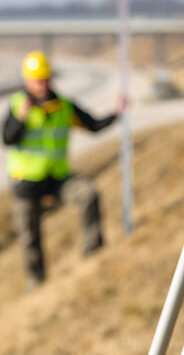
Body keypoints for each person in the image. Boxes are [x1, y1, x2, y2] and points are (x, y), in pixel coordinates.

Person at [2, 51, 122, 289]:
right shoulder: (18, 106)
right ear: (27, 81)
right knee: (30, 237)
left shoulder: (64, 106)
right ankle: (36, 283)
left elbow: (93, 125)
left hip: (58, 178)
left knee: (88, 195)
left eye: (45, 79)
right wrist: (21, 119)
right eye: (36, 80)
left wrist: (116, 113)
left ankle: (93, 255)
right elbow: (7, 138)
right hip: (26, 182)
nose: (41, 84)